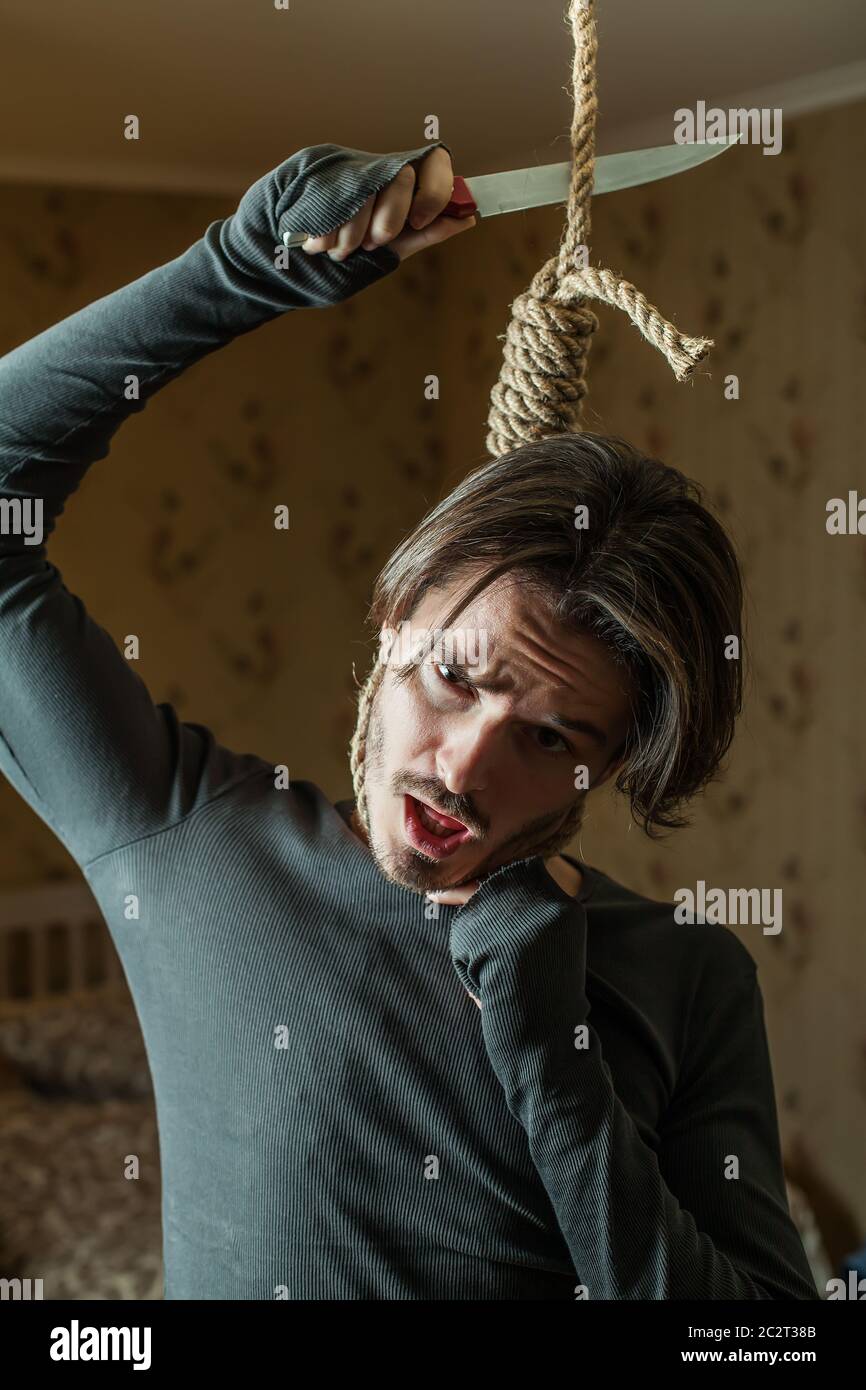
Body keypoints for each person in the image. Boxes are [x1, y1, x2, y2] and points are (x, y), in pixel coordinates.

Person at [0, 139, 818, 1300]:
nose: (463, 767)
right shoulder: (188, 847)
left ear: (609, 765)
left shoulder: (686, 975)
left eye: (550, 739)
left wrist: (554, 1066)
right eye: (452, 678)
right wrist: (239, 270)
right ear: (389, 625)